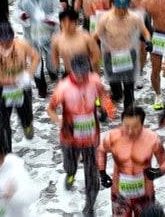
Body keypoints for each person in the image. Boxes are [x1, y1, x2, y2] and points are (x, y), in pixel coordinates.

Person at [48, 52, 117, 212]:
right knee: (70, 165)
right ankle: (70, 174)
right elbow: (50, 109)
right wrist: (60, 121)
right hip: (69, 136)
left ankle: (89, 205)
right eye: (78, 74)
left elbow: (103, 95)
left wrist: (107, 109)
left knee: (91, 171)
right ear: (72, 70)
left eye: (84, 73)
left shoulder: (94, 80)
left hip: (90, 136)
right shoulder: (63, 87)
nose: (82, 77)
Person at [0, 22, 41, 153]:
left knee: (26, 115)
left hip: (21, 86)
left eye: (8, 42)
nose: (5, 45)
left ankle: (27, 125)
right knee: (3, 124)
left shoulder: (22, 45)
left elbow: (36, 57)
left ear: (13, 38)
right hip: (2, 88)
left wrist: (29, 74)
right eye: (2, 42)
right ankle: (6, 151)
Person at [99, 106, 165, 217]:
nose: (129, 131)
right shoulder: (112, 137)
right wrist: (102, 172)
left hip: (145, 194)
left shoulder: (152, 139)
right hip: (120, 194)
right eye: (126, 126)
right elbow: (100, 150)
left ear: (142, 125)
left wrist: (158, 172)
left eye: (134, 127)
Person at [96, 0, 150, 113]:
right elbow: (96, 36)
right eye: (119, 7)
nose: (122, 11)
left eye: (124, 7)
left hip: (128, 55)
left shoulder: (134, 17)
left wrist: (148, 41)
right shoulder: (105, 18)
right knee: (116, 90)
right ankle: (111, 104)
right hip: (111, 55)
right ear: (114, 5)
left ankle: (128, 113)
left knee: (129, 89)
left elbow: (145, 31)